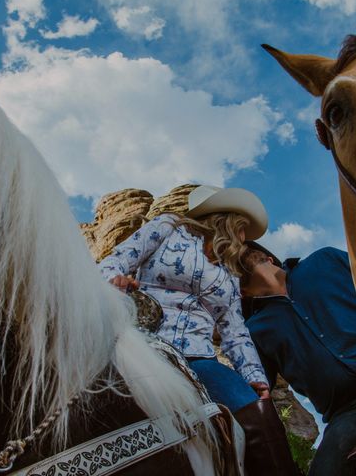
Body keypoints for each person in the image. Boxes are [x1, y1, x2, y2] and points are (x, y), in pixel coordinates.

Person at [98, 185, 298, 475]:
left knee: (253, 409)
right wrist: (113, 281)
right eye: (242, 229)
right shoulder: (167, 228)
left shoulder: (230, 276)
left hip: (199, 358)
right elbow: (114, 261)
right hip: (142, 342)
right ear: (227, 220)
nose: (244, 239)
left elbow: (235, 333)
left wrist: (255, 378)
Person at [240, 241, 356, 476]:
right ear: (240, 291)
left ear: (270, 259)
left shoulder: (326, 259)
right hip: (349, 410)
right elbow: (259, 389)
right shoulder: (253, 330)